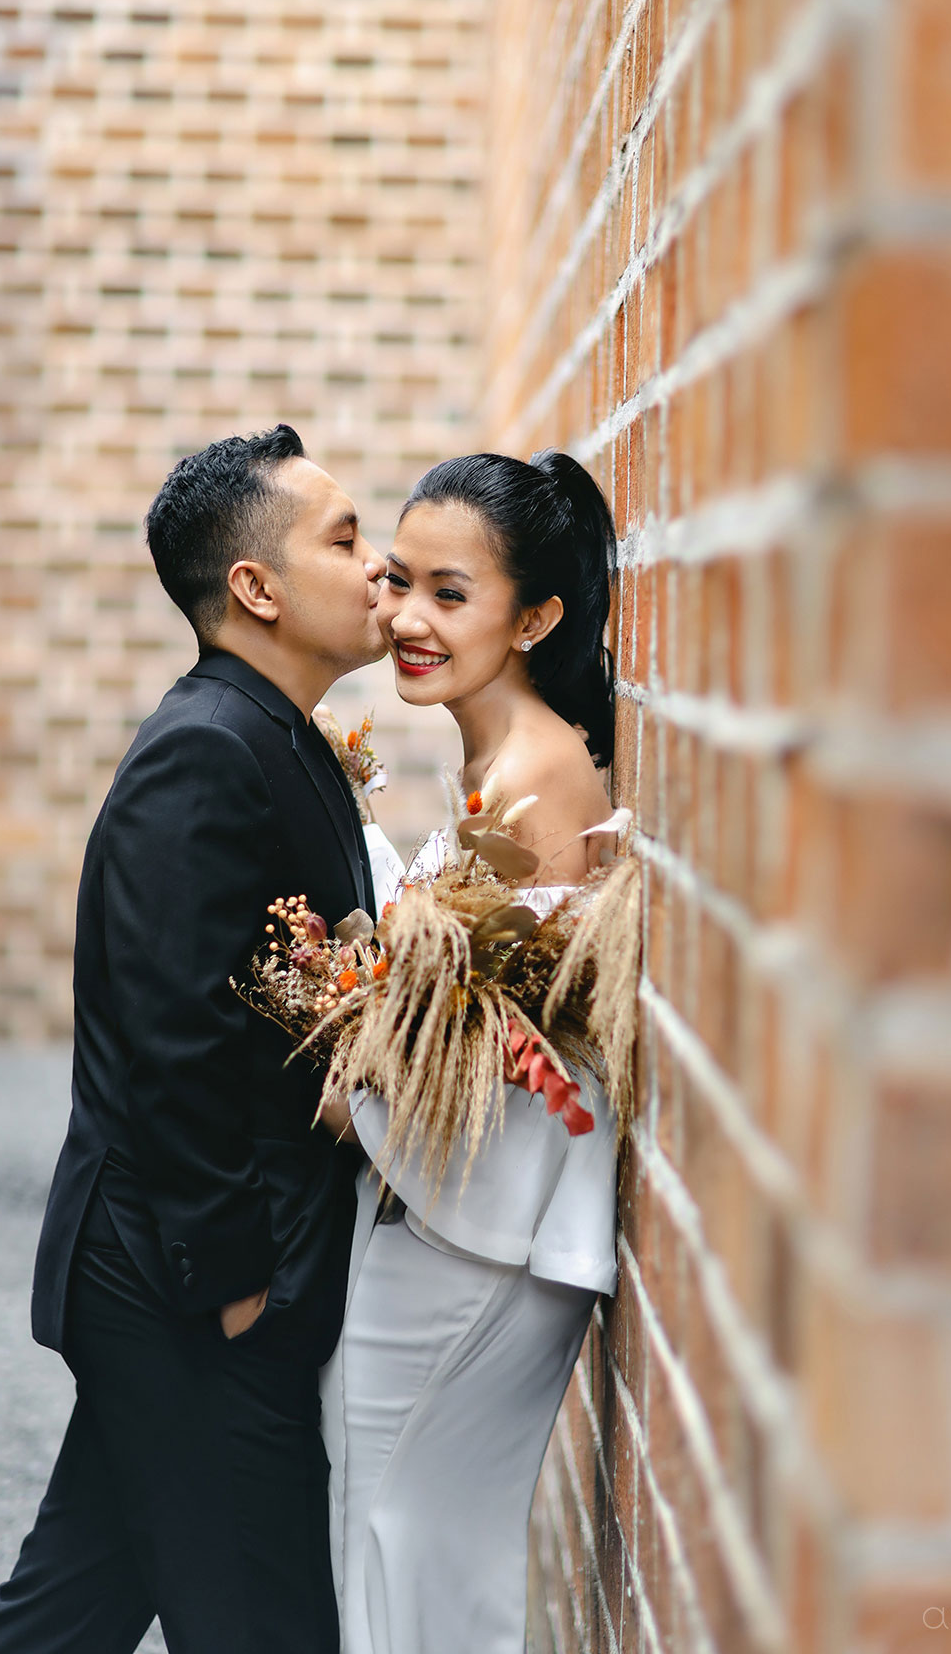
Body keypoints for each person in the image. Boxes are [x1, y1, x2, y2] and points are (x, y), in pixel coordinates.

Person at [0, 424, 387, 1654]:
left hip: (206, 1282)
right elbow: (172, 1033)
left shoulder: (278, 735)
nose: (379, 565)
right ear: (256, 588)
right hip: (181, 1280)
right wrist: (237, 1289)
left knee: (69, 1607)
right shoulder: (206, 749)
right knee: (264, 1623)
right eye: (346, 539)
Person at [319, 449, 622, 1654]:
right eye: (400, 582)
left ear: (534, 618)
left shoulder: (539, 775)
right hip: (456, 1215)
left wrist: (347, 1058)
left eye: (451, 594)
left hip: (486, 1235)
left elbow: (500, 1040)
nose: (407, 618)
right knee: (398, 1542)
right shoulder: (496, 759)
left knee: (410, 1545)